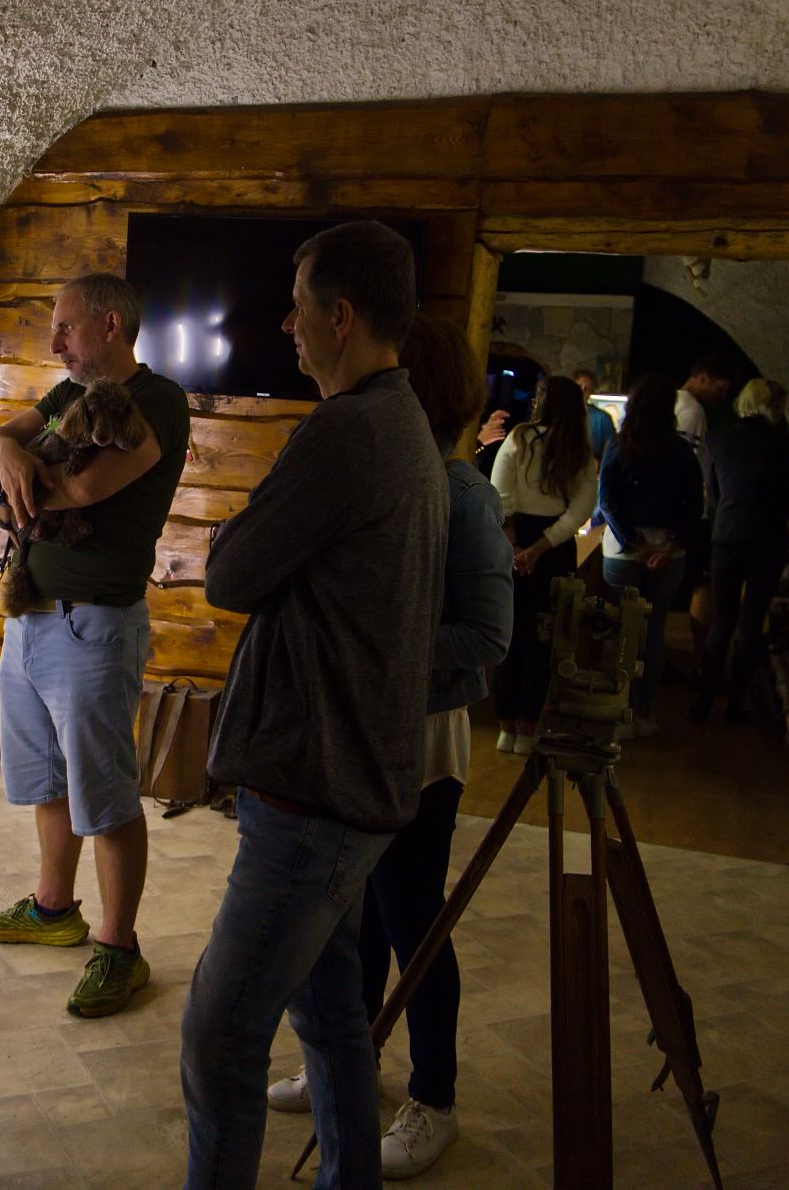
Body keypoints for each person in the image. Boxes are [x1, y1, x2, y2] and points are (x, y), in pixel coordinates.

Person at [180, 220, 447, 1189]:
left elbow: (229, 572)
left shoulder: (344, 431)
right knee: (332, 1016)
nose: (286, 328)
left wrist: (240, 532)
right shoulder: (404, 423)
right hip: (354, 778)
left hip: (310, 790)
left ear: (340, 317)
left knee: (220, 1034)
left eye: (297, 310)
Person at [263, 313, 511, 1180]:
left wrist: (383, 646)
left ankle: (435, 1097)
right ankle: (354, 1059)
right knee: (356, 913)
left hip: (422, 740)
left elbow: (488, 635)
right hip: (366, 731)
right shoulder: (402, 477)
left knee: (413, 920)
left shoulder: (465, 494)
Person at [0, 272, 190, 1019]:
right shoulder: (68, 395)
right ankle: (53, 907)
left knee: (106, 793)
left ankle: (120, 948)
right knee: (48, 781)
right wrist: (6, 455)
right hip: (31, 615)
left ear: (111, 325)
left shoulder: (159, 399)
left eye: (66, 326)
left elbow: (87, 489)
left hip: (95, 624)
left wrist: (14, 476)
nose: (54, 340)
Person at [488, 375, 598, 755]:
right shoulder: (578, 450)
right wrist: (538, 549)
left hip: (513, 540)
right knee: (543, 639)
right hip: (554, 548)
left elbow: (500, 494)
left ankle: (504, 728)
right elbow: (580, 511)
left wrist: (515, 545)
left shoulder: (519, 438)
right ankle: (528, 728)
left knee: (509, 634)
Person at [597, 373, 703, 740]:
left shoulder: (618, 445)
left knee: (621, 632)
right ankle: (644, 713)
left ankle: (618, 712)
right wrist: (669, 546)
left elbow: (608, 500)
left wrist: (634, 543)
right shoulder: (681, 451)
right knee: (654, 632)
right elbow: (694, 505)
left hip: (623, 552)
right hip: (669, 552)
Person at [692, 378, 789, 723]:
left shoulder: (719, 438)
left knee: (722, 619)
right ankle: (736, 705)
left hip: (727, 535)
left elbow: (713, 491)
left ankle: (704, 700)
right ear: (775, 407)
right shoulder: (786, 443)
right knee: (752, 622)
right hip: (768, 539)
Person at [674, 352, 742, 671]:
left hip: (673, 511)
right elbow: (686, 465)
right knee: (701, 585)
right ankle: (701, 660)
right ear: (702, 378)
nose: (722, 397)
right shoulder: (693, 411)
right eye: (719, 388)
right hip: (686, 513)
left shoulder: (672, 402)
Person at [573, 367, 617, 463]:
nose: (582, 391)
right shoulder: (559, 414)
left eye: (587, 388)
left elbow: (611, 454)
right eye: (579, 386)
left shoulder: (602, 418)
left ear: (591, 392)